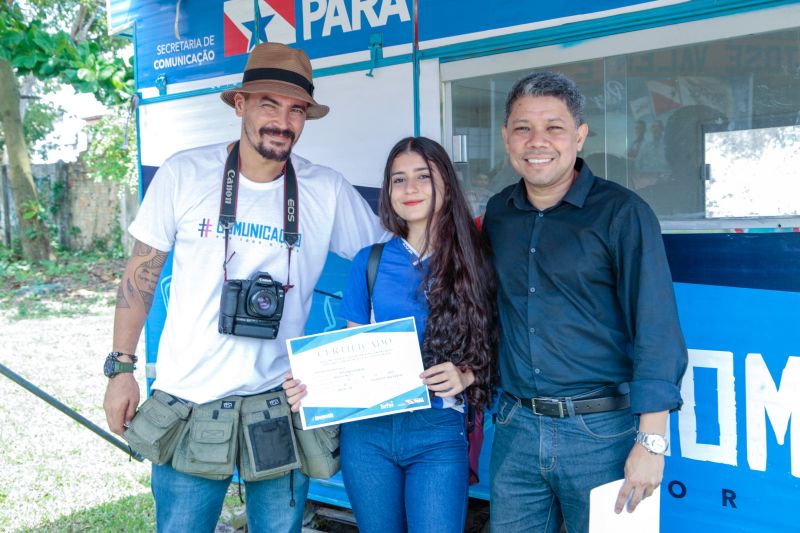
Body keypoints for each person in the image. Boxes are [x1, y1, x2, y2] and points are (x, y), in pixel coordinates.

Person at [102, 42, 385, 533]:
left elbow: (389, 264)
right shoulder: (184, 174)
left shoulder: (326, 190)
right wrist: (120, 368)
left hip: (278, 400)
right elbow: (140, 276)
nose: (283, 121)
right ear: (240, 104)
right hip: (188, 400)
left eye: (296, 109)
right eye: (268, 104)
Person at [483, 71, 687, 533]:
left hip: (602, 435)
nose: (538, 141)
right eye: (523, 128)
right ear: (506, 138)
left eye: (554, 127)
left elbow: (655, 328)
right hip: (516, 429)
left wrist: (652, 441)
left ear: (579, 135)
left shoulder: (623, 213)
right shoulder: (499, 214)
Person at [283, 137, 497, 533]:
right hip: (367, 437)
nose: (409, 189)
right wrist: (311, 387)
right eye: (398, 180)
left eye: (422, 177)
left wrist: (466, 375)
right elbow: (350, 358)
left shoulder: (475, 259)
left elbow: (499, 343)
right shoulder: (370, 261)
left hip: (437, 432)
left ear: (445, 184)